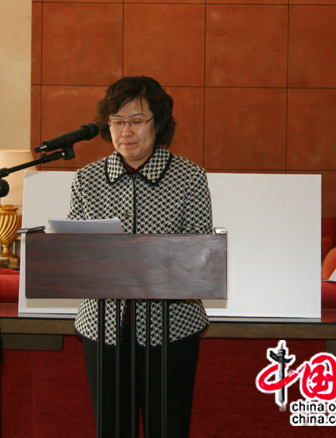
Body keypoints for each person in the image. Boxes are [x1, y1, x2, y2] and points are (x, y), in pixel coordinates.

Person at [67, 76, 212, 437]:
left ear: (158, 123)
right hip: (102, 328)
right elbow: (72, 256)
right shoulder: (87, 180)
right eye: (117, 121)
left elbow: (199, 256)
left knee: (169, 428)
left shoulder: (190, 178)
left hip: (172, 329)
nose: (125, 131)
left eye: (137, 120)